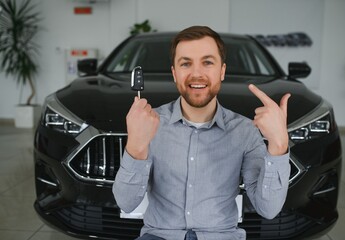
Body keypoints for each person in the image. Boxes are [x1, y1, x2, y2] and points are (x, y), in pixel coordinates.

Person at [112, 26, 291, 240]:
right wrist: (136, 146)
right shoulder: (149, 124)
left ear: (222, 71)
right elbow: (126, 203)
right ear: (174, 73)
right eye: (186, 63)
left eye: (207, 62)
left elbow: (268, 209)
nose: (196, 73)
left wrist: (279, 144)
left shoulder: (244, 131)